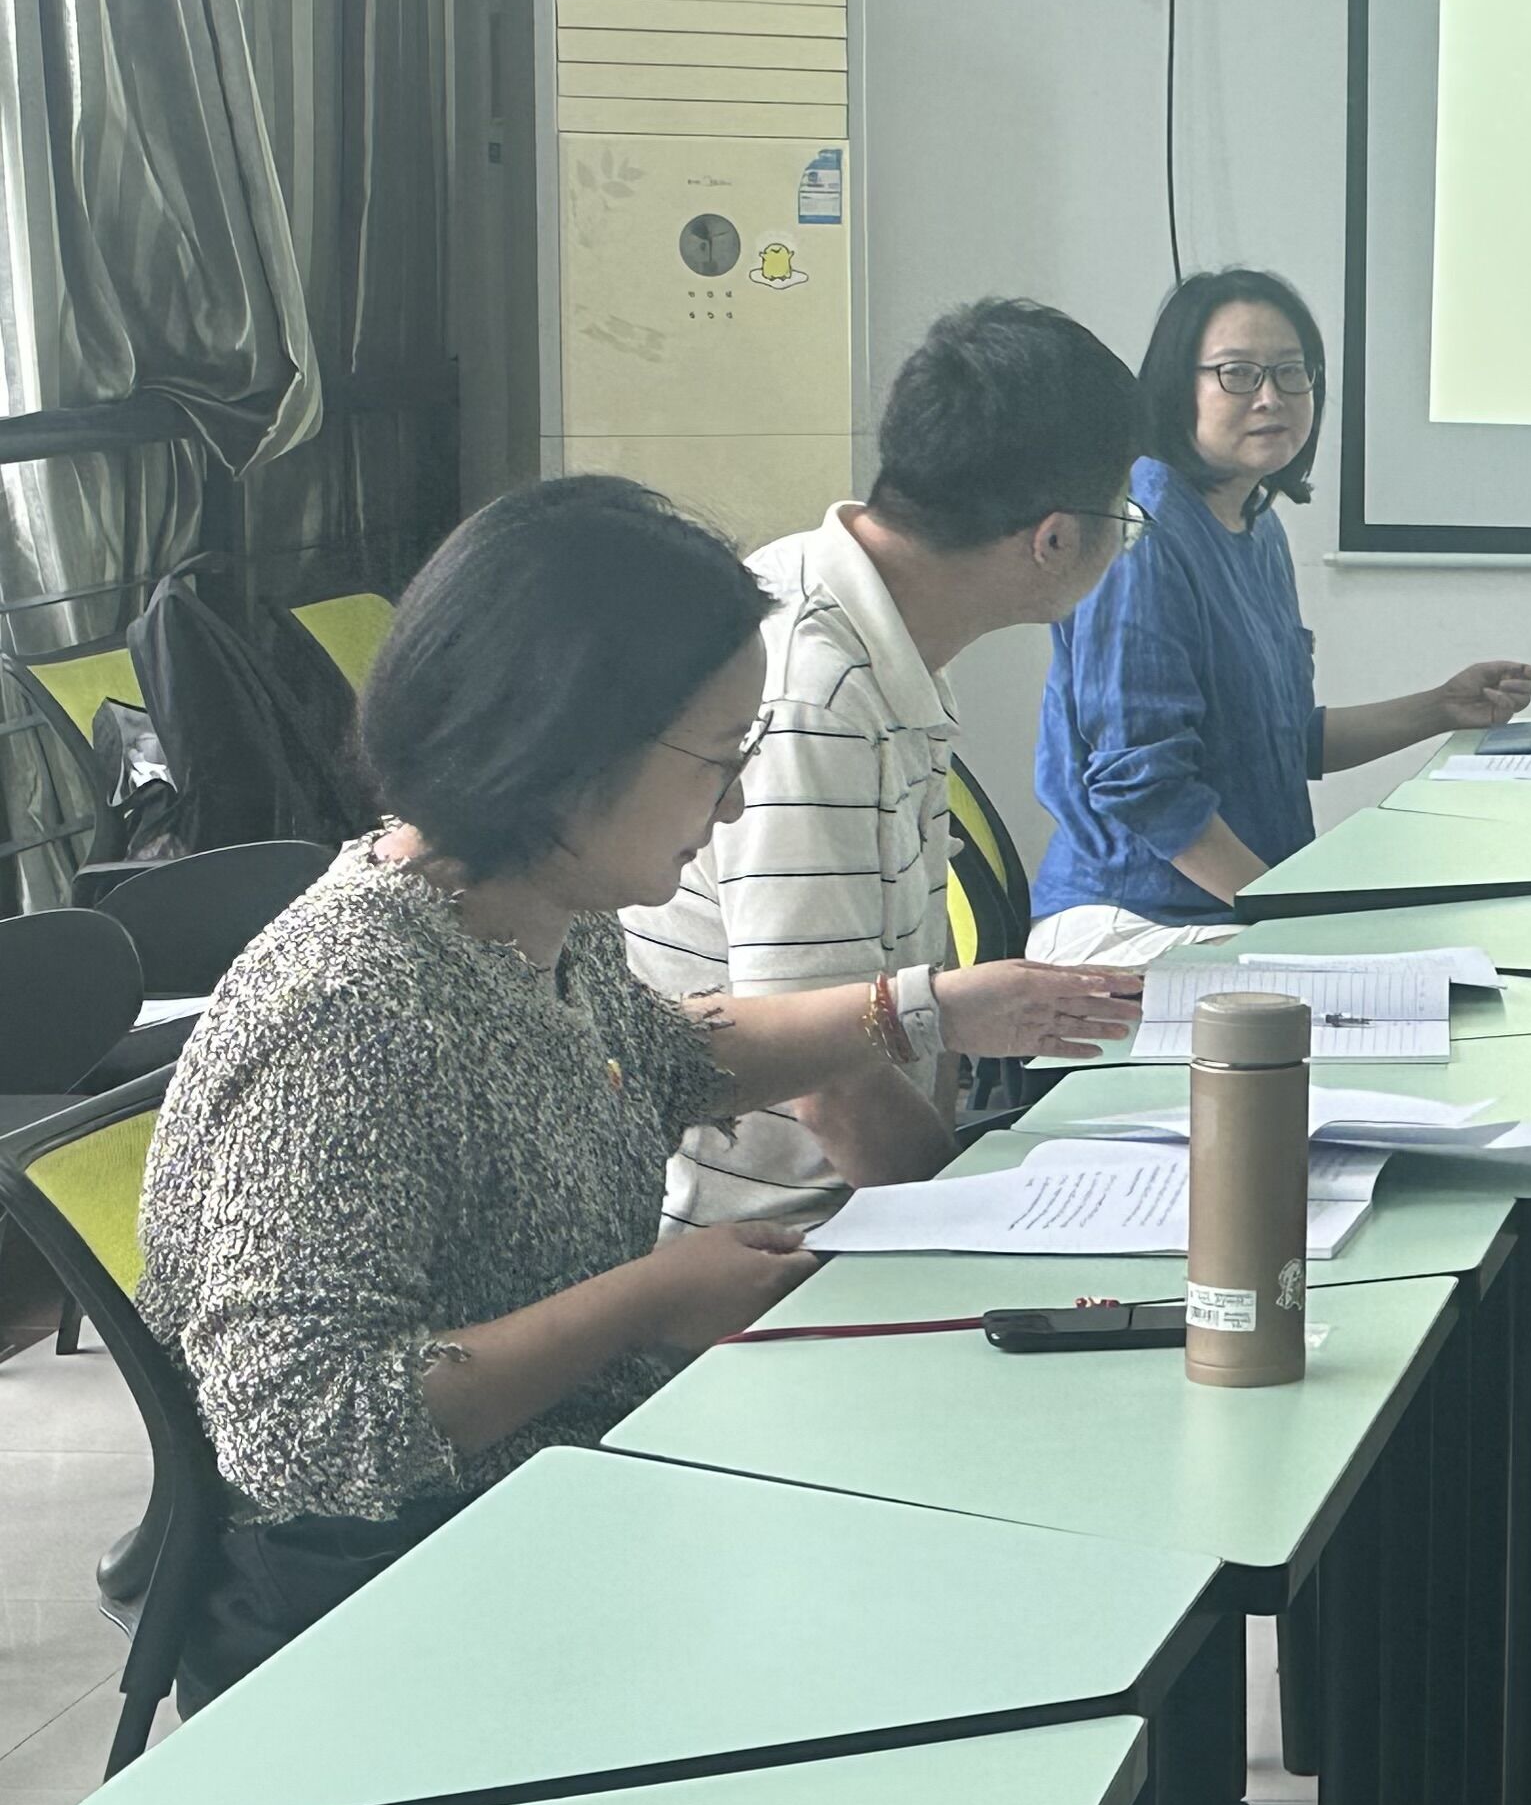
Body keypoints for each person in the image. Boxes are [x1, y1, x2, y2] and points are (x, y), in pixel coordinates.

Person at [137, 479, 1144, 1695]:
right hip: (393, 1602)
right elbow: (303, 1427)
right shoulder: (348, 1009)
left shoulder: (532, 909)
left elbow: (658, 1054)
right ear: (566, 746)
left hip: (553, 1492)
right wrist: (647, 1299)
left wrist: (928, 1005)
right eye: (719, 759)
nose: (735, 800)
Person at [626, 301, 1151, 1231]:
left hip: (855, 1200)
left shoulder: (869, 617)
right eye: (1125, 515)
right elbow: (831, 1088)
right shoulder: (813, 694)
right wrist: (981, 1233)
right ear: (1055, 539)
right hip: (775, 1240)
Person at [1032, 269, 1531, 960]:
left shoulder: (1256, 525)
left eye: (1291, 372)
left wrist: (1441, 707)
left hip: (1230, 913)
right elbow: (1146, 789)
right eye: (1238, 373)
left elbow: (1281, 742)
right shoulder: (1143, 530)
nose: (1271, 397)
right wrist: (1299, 920)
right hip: (1136, 923)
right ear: (1178, 387)